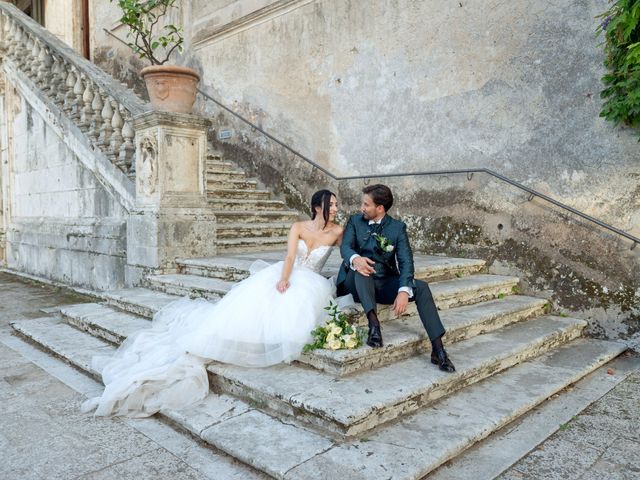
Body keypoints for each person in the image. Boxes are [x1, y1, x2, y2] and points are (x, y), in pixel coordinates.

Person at [83, 190, 343, 417]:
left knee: (297, 310)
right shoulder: (298, 226)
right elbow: (288, 257)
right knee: (259, 303)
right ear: (318, 207)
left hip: (312, 280)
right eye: (331, 204)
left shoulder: (338, 231)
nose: (335, 208)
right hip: (286, 273)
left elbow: (352, 248)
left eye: (336, 205)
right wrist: (284, 280)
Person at [336, 184, 455, 372]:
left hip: (383, 283)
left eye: (366, 204)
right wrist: (356, 259)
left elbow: (406, 261)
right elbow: (345, 247)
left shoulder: (397, 228)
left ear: (380, 208)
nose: (362, 208)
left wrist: (403, 290)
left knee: (422, 287)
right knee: (364, 269)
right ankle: (374, 325)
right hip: (355, 282)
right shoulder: (354, 221)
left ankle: (438, 349)